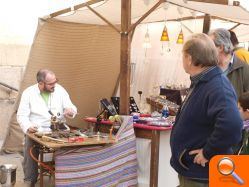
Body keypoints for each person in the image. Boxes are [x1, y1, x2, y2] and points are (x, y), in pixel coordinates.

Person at [170, 33, 243, 187]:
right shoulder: (203, 82)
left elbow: (233, 125)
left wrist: (208, 152)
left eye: (183, 55)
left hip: (202, 174)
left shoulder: (217, 86)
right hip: (194, 171)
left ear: (189, 59)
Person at [17, 69, 77, 186]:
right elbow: (21, 115)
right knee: (30, 143)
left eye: (55, 81)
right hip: (38, 130)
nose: (54, 85)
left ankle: (66, 178)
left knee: (71, 143)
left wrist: (71, 111)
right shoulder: (28, 93)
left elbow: (71, 107)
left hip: (59, 128)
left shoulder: (60, 89)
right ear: (40, 83)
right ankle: (30, 179)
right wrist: (28, 126)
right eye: (51, 84)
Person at [208, 28, 249, 99]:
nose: (207, 49)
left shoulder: (244, 69)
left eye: (210, 46)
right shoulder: (207, 68)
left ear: (220, 47)